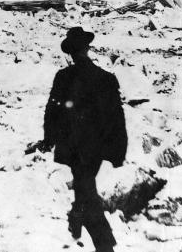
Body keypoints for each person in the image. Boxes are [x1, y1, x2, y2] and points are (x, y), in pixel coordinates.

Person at [42, 27, 127, 252]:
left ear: (70, 52)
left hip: (72, 148)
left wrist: (49, 139)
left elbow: (52, 110)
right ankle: (79, 221)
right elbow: (116, 117)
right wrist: (117, 151)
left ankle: (104, 243)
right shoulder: (106, 78)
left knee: (86, 192)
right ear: (87, 48)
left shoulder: (63, 77)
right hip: (95, 149)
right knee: (84, 188)